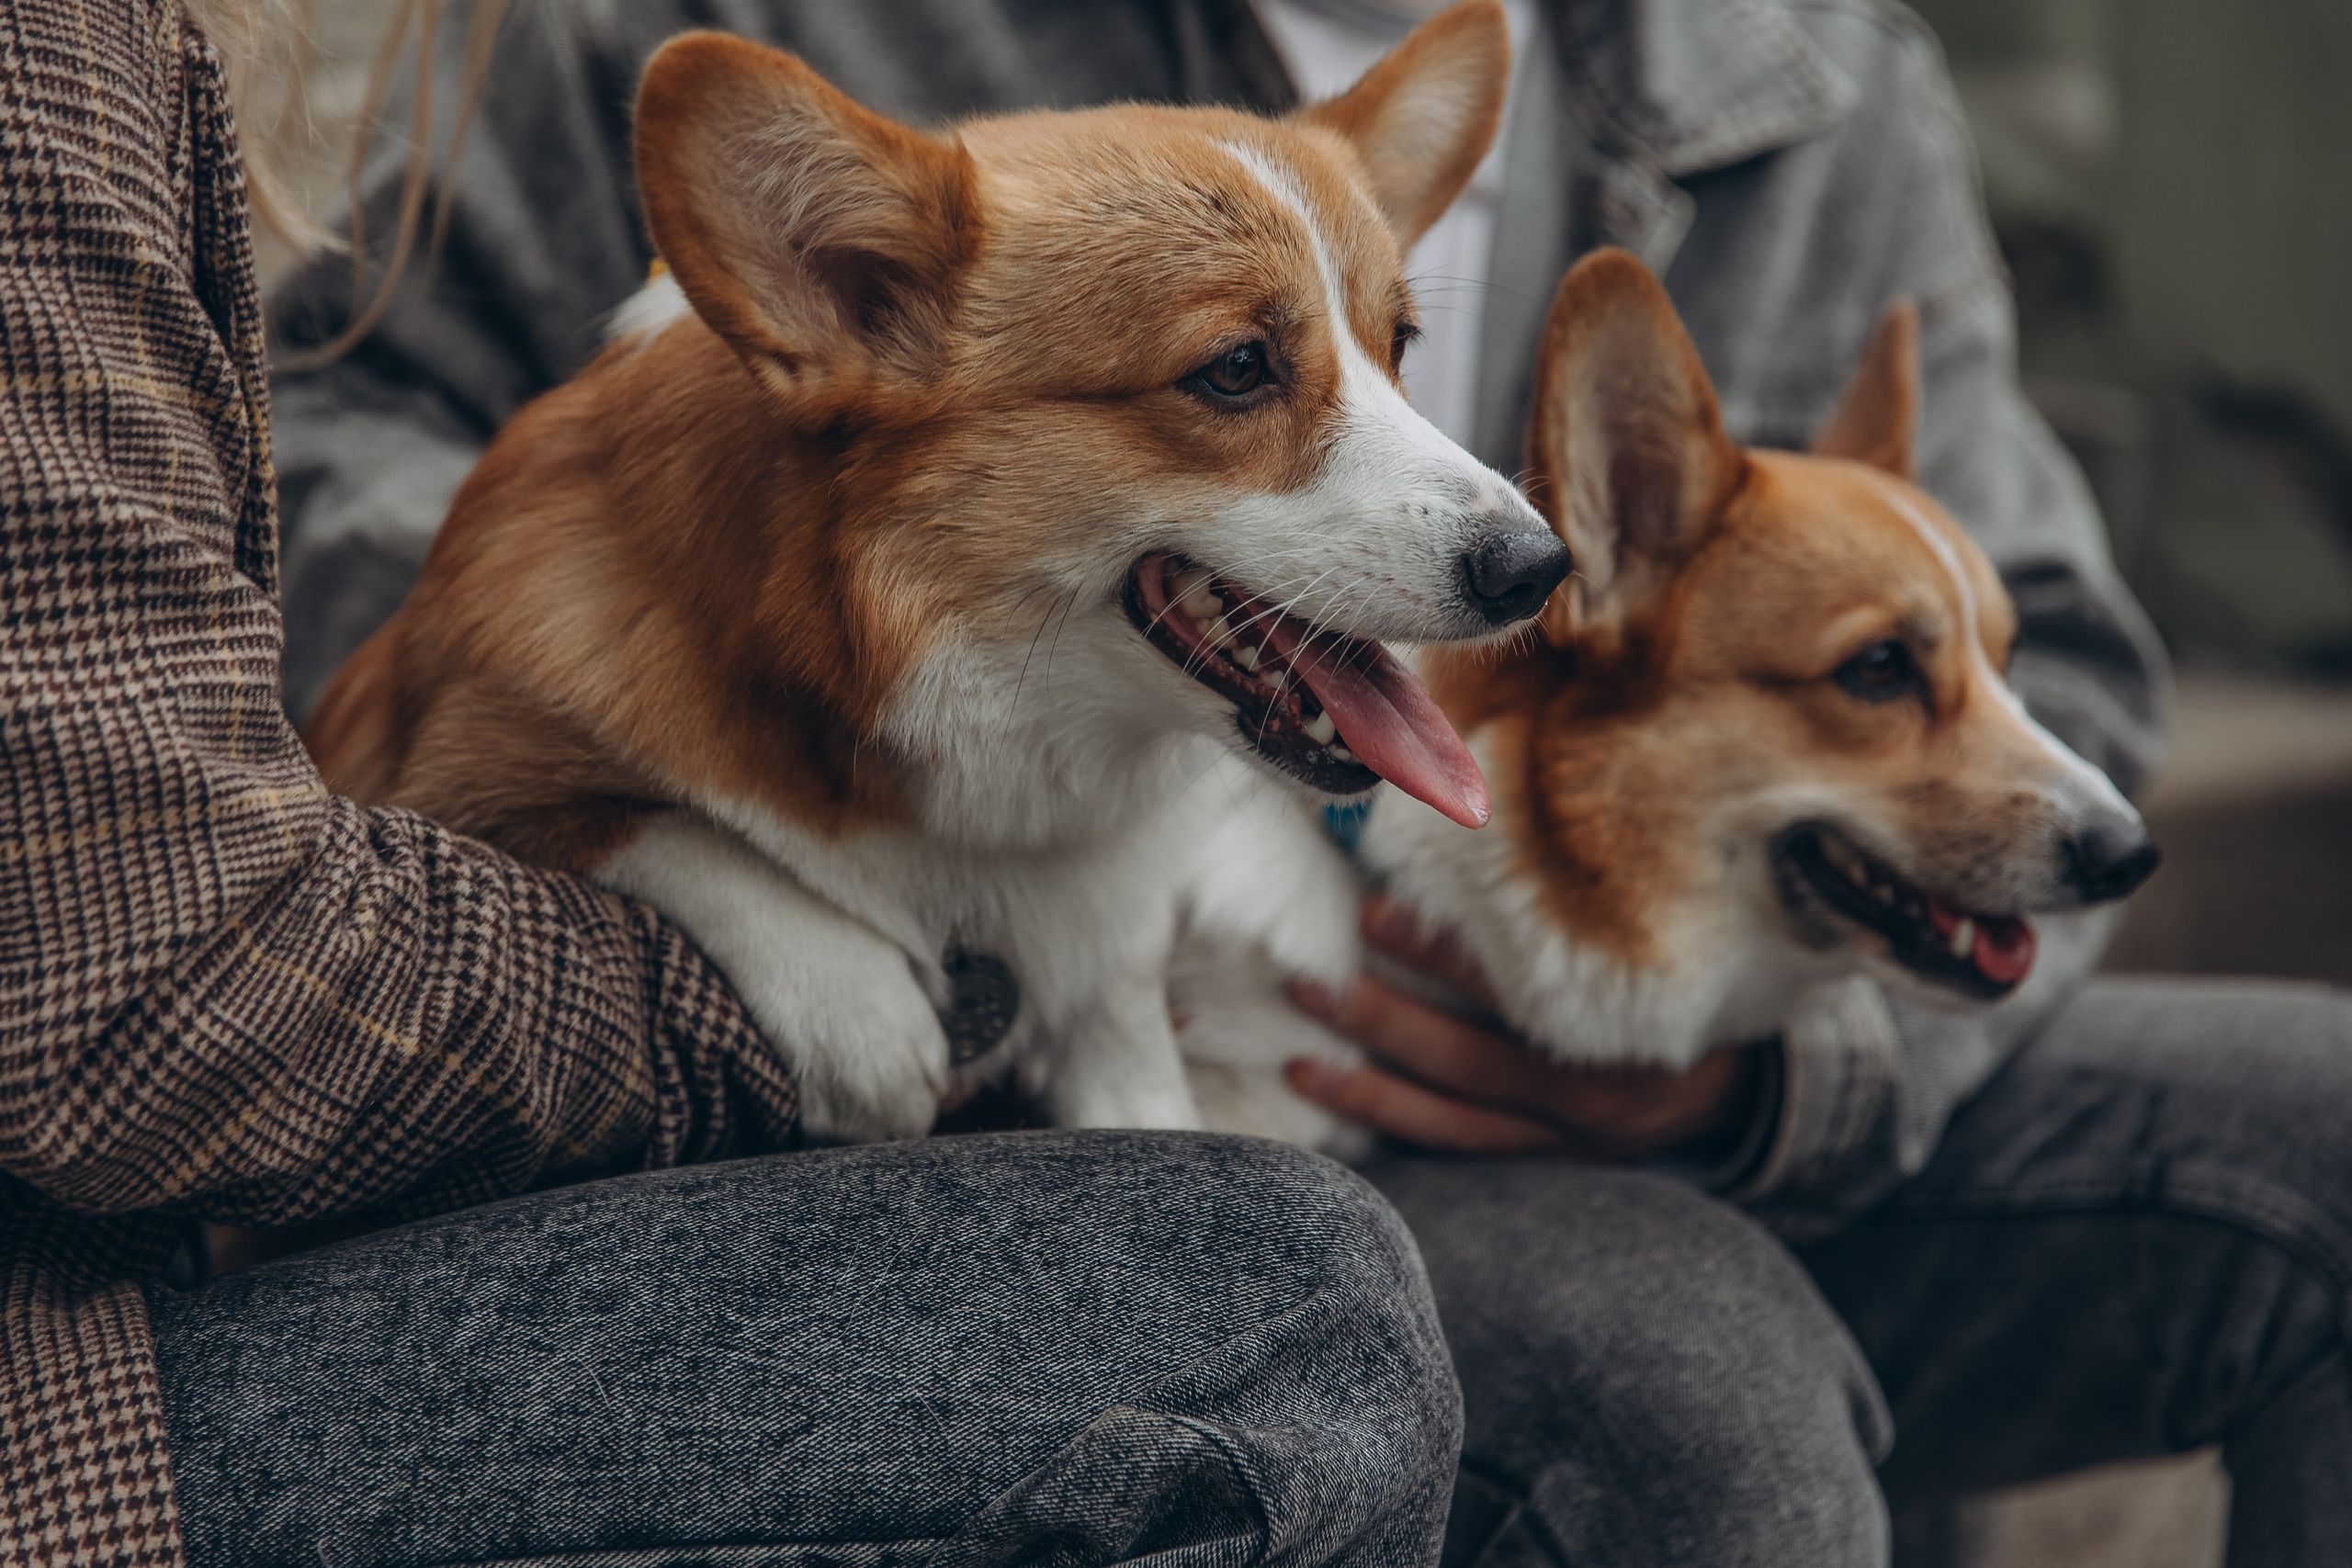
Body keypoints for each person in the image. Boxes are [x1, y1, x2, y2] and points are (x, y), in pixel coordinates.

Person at [264, 2, 2352, 1565]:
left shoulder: (1805, 63)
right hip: (1172, 1044)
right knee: (1688, 1398)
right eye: (1245, 368)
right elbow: (316, 439)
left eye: (1386, 340)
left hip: (1691, 1019)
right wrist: (772, 722)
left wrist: (1777, 1082)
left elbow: (2057, 666)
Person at [0, 5, 1465, 1567]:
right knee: (1291, 1314)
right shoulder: (58, 76)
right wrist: (748, 1003)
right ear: (848, 289)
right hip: (120, 1373)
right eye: (1239, 369)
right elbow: (160, 990)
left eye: (1393, 346)